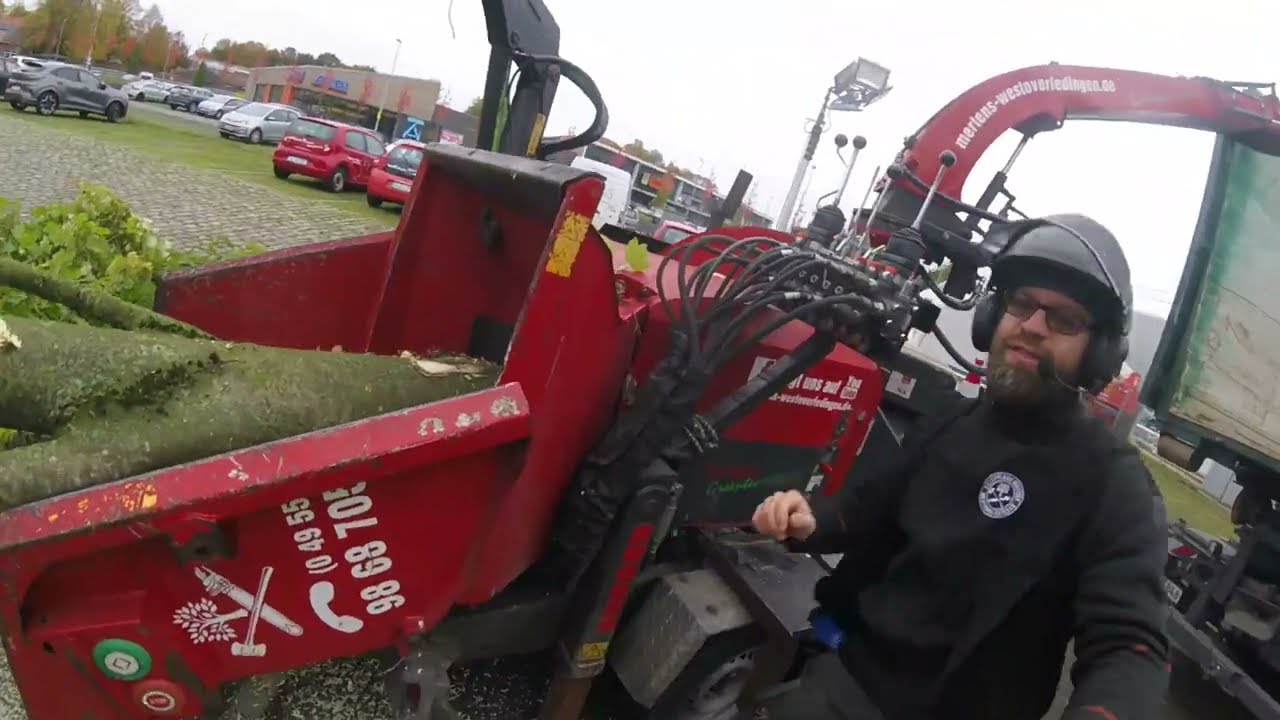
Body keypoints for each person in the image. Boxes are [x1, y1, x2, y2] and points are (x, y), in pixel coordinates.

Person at [753, 214, 1170, 720]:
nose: (1032, 326)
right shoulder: (951, 421)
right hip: (849, 687)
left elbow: (1129, 647)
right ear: (993, 313)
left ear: (1098, 352)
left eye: (1064, 321)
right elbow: (868, 509)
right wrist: (810, 518)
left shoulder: (1113, 483)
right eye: (1020, 304)